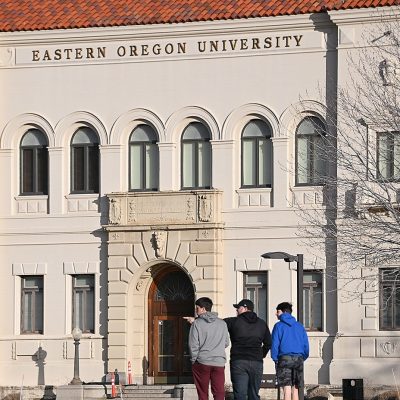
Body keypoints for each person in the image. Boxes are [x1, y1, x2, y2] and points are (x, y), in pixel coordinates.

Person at [224, 299, 271, 400]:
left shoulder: (233, 321)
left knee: (240, 395)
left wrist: (197, 320)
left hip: (238, 361)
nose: (236, 310)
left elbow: (216, 323)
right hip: (256, 361)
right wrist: (261, 354)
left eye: (238, 308)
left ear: (245, 308)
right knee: (254, 394)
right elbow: (268, 343)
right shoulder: (262, 323)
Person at [184, 297, 230, 400]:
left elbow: (193, 344)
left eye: (197, 308)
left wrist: (194, 360)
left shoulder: (196, 323)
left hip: (202, 361)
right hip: (219, 362)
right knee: (219, 392)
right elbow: (226, 342)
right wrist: (217, 349)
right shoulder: (222, 323)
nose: (196, 311)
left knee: (202, 393)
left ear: (203, 309)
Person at [271, 302, 309, 400]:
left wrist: (275, 358)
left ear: (283, 312)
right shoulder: (300, 326)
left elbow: (275, 344)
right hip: (298, 359)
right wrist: (303, 357)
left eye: (278, 311)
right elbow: (305, 345)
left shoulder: (278, 326)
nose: (276, 313)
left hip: (284, 358)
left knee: (286, 388)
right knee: (295, 388)